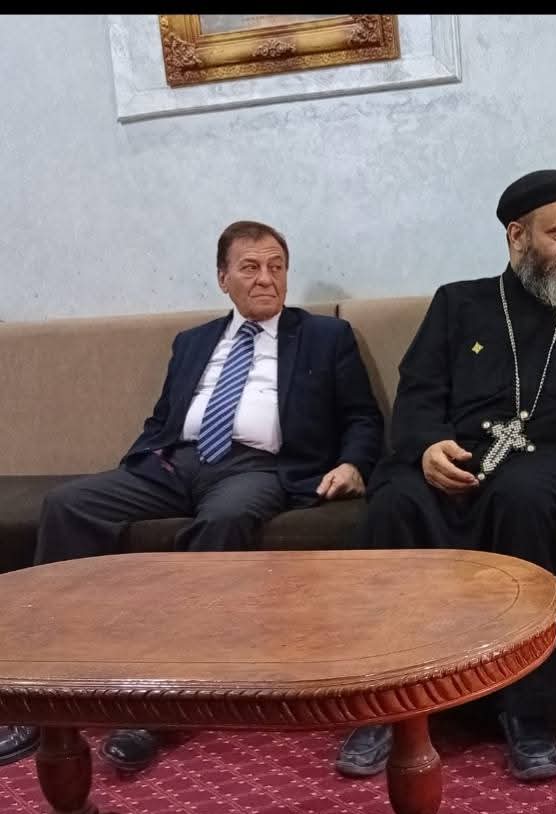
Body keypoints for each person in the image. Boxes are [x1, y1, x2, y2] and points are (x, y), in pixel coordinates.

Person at [0, 220, 384, 774]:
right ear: (223, 278)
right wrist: (141, 462)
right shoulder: (192, 342)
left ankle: (159, 707)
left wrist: (353, 465)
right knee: (68, 504)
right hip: (173, 463)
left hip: (259, 466)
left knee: (224, 519)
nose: (266, 278)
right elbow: (163, 419)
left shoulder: (326, 337)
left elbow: (362, 417)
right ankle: (39, 694)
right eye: (250, 267)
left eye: (277, 267)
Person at [335, 170, 556, 782]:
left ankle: (530, 714)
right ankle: (384, 704)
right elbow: (420, 390)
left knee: (521, 497)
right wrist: (426, 446)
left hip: (554, 461)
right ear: (517, 236)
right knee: (394, 502)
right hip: (458, 455)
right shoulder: (458, 303)